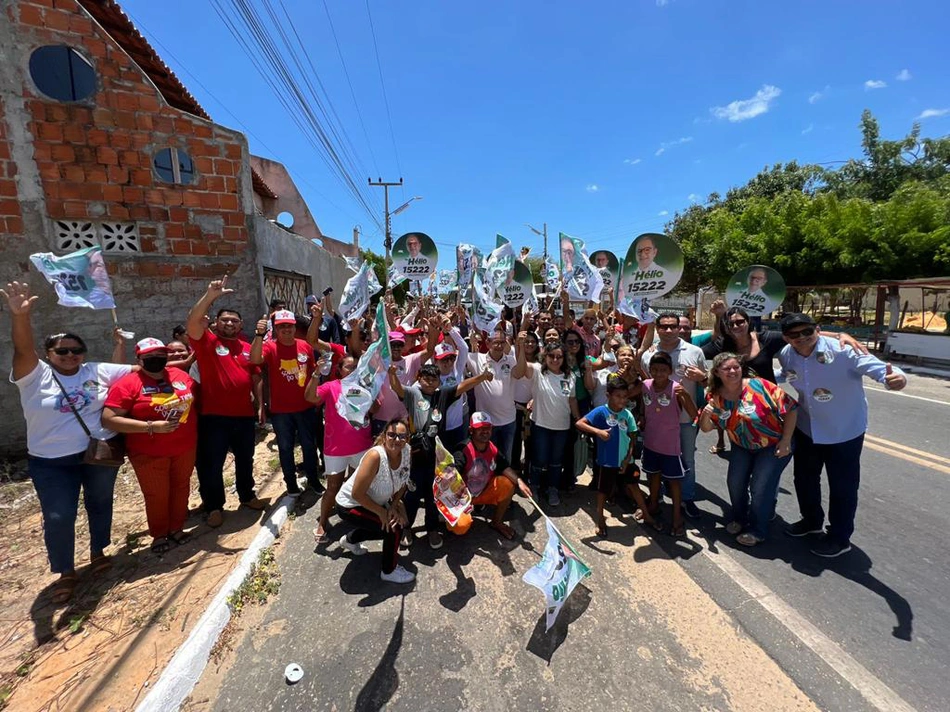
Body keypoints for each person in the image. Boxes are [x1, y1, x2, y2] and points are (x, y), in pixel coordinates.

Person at [3, 281, 131, 603]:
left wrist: (182, 361)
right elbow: (21, 349)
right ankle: (66, 570)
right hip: (51, 462)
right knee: (59, 515)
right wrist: (20, 316)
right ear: (48, 354)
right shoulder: (35, 375)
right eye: (62, 351)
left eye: (76, 350)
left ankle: (98, 550)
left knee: (100, 503)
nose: (70, 355)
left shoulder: (94, 370)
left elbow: (139, 369)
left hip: (96, 453)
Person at [778, 313, 907, 557]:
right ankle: (811, 522)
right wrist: (755, 379)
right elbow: (786, 376)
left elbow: (881, 370)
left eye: (807, 331)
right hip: (807, 429)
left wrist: (896, 378)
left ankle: (839, 537)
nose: (802, 338)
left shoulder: (843, 350)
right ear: (787, 337)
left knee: (843, 488)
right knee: (804, 480)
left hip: (844, 431)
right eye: (794, 335)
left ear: (817, 329)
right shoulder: (787, 354)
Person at [102, 338, 197, 554]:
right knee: (157, 494)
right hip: (149, 452)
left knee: (181, 487)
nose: (156, 360)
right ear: (139, 359)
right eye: (149, 357)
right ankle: (159, 534)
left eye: (160, 355)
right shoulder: (128, 384)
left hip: (184, 447)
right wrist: (150, 426)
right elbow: (109, 419)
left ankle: (177, 528)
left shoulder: (180, 377)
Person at [186, 277, 265, 528]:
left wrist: (260, 405)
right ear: (216, 323)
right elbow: (192, 321)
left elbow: (256, 374)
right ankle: (214, 506)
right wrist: (210, 296)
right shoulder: (207, 342)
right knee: (212, 463)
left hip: (243, 415)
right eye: (225, 320)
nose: (229, 323)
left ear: (241, 324)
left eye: (234, 320)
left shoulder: (245, 347)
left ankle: (247, 495)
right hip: (214, 416)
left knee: (246, 458)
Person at [388, 363, 492, 549]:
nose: (429, 382)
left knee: (433, 494)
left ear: (438, 381)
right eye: (426, 378)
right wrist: (392, 375)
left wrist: (482, 377)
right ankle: (406, 527)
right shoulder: (412, 393)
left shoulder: (442, 394)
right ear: (419, 378)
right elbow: (396, 387)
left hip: (436, 456)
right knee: (411, 495)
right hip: (414, 455)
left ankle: (432, 529)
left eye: (433, 378)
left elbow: (464, 386)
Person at [698, 353, 797, 546]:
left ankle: (757, 529)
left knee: (760, 486)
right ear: (717, 372)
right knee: (735, 482)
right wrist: (706, 414)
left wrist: (786, 441)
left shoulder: (759, 386)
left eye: (736, 367)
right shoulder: (716, 396)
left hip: (772, 444)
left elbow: (791, 408)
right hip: (741, 446)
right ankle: (740, 518)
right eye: (726, 369)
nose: (733, 371)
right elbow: (706, 428)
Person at [639, 312, 707, 518]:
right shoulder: (648, 355)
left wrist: (703, 377)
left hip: (685, 420)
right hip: (656, 422)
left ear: (680, 328)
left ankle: (687, 498)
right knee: (654, 459)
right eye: (664, 327)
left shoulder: (694, 352)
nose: (668, 330)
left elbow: (707, 383)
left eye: (672, 326)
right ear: (657, 329)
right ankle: (656, 496)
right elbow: (644, 386)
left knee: (687, 460)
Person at [334, 419, 415, 584]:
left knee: (384, 526)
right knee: (393, 527)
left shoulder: (407, 451)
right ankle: (389, 571)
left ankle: (350, 540)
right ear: (384, 436)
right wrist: (382, 513)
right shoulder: (375, 456)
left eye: (402, 436)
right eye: (392, 435)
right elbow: (357, 494)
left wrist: (393, 506)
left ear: (407, 438)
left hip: (377, 502)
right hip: (350, 505)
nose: (397, 440)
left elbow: (403, 480)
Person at [306, 355, 374, 542]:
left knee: (356, 484)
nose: (351, 371)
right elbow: (311, 397)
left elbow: (375, 409)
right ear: (339, 369)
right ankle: (322, 522)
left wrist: (370, 390)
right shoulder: (331, 386)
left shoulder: (364, 385)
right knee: (333, 487)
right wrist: (316, 374)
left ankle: (354, 515)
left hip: (361, 445)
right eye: (347, 367)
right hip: (335, 448)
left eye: (355, 368)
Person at [577, 378, 657, 536]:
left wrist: (628, 458)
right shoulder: (601, 411)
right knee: (603, 491)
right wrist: (598, 432)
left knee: (634, 487)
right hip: (607, 461)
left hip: (626, 461)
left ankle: (646, 516)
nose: (622, 400)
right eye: (618, 396)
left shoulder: (627, 414)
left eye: (625, 397)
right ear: (608, 395)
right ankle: (600, 519)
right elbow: (580, 423)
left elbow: (632, 437)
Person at [250, 309, 317, 496]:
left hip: (305, 407)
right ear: (276, 329)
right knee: (286, 448)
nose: (286, 329)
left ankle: (313, 479)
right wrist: (258, 335)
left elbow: (312, 374)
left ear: (295, 327)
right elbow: (255, 359)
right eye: (282, 326)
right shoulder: (269, 347)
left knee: (309, 445)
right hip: (281, 411)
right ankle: (291, 484)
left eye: (289, 325)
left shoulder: (305, 346)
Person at [512, 336, 579, 507]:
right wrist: (519, 346)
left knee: (556, 461)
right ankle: (534, 486)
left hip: (562, 427)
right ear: (545, 356)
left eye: (559, 357)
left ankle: (552, 489)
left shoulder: (570, 376)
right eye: (551, 356)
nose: (555, 360)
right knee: (539, 459)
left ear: (564, 358)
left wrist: (578, 420)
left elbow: (572, 400)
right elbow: (519, 371)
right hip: (540, 425)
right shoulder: (536, 371)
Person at [448, 413, 532, 540]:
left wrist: (520, 481)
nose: (485, 431)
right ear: (471, 430)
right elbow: (451, 479)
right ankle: (446, 517)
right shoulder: (462, 450)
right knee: (461, 527)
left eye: (488, 427)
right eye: (480, 428)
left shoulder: (492, 448)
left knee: (508, 483)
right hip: (462, 498)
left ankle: (496, 522)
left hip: (481, 493)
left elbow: (504, 466)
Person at [641, 351, 698, 536]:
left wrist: (687, 395)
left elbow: (692, 413)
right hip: (651, 442)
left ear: (670, 371)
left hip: (670, 447)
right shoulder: (645, 385)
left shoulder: (677, 389)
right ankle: (653, 505)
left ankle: (676, 517)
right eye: (655, 370)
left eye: (663, 370)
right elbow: (641, 404)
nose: (658, 374)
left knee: (674, 482)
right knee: (654, 476)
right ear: (650, 370)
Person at [467, 327, 517, 461]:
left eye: (502, 342)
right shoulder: (476, 358)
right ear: (488, 343)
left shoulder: (512, 361)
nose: (499, 346)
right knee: (487, 460)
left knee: (506, 459)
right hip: (486, 423)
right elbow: (459, 352)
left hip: (509, 421)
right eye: (496, 342)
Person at [511, 330, 539, 472]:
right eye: (526, 341)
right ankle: (515, 470)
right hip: (515, 407)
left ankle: (529, 471)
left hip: (533, 408)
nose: (529, 344)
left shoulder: (542, 362)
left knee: (531, 443)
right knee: (515, 442)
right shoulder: (513, 358)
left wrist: (535, 399)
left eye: (532, 341)